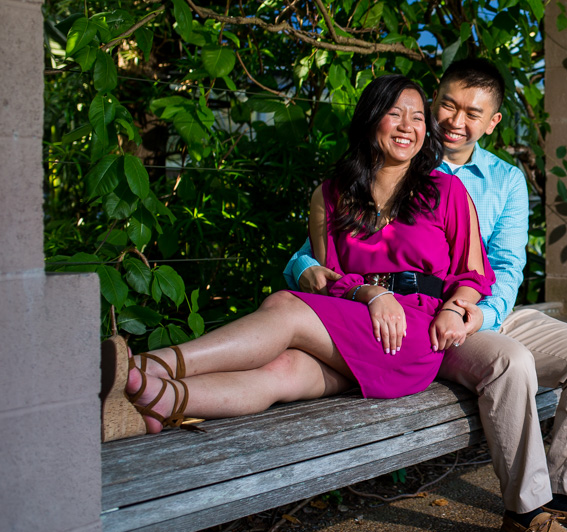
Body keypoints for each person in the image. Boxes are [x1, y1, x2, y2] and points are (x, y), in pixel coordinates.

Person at [283, 58, 567, 532]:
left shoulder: (505, 180)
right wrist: (300, 268)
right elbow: (324, 247)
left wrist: (478, 312)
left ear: (492, 122)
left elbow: (507, 265)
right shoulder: (398, 154)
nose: (453, 121)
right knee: (511, 364)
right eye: (446, 104)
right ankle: (526, 509)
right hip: (415, 314)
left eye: (472, 112)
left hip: (485, 309)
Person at [100, 76, 492, 441]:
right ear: (371, 119)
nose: (408, 126)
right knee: (282, 371)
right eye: (394, 114)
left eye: (418, 117)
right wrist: (371, 293)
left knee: (284, 305)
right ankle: (160, 401)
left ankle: (143, 367)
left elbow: (474, 275)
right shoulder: (331, 194)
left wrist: (455, 309)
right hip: (359, 316)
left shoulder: (446, 191)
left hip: (412, 332)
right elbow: (329, 277)